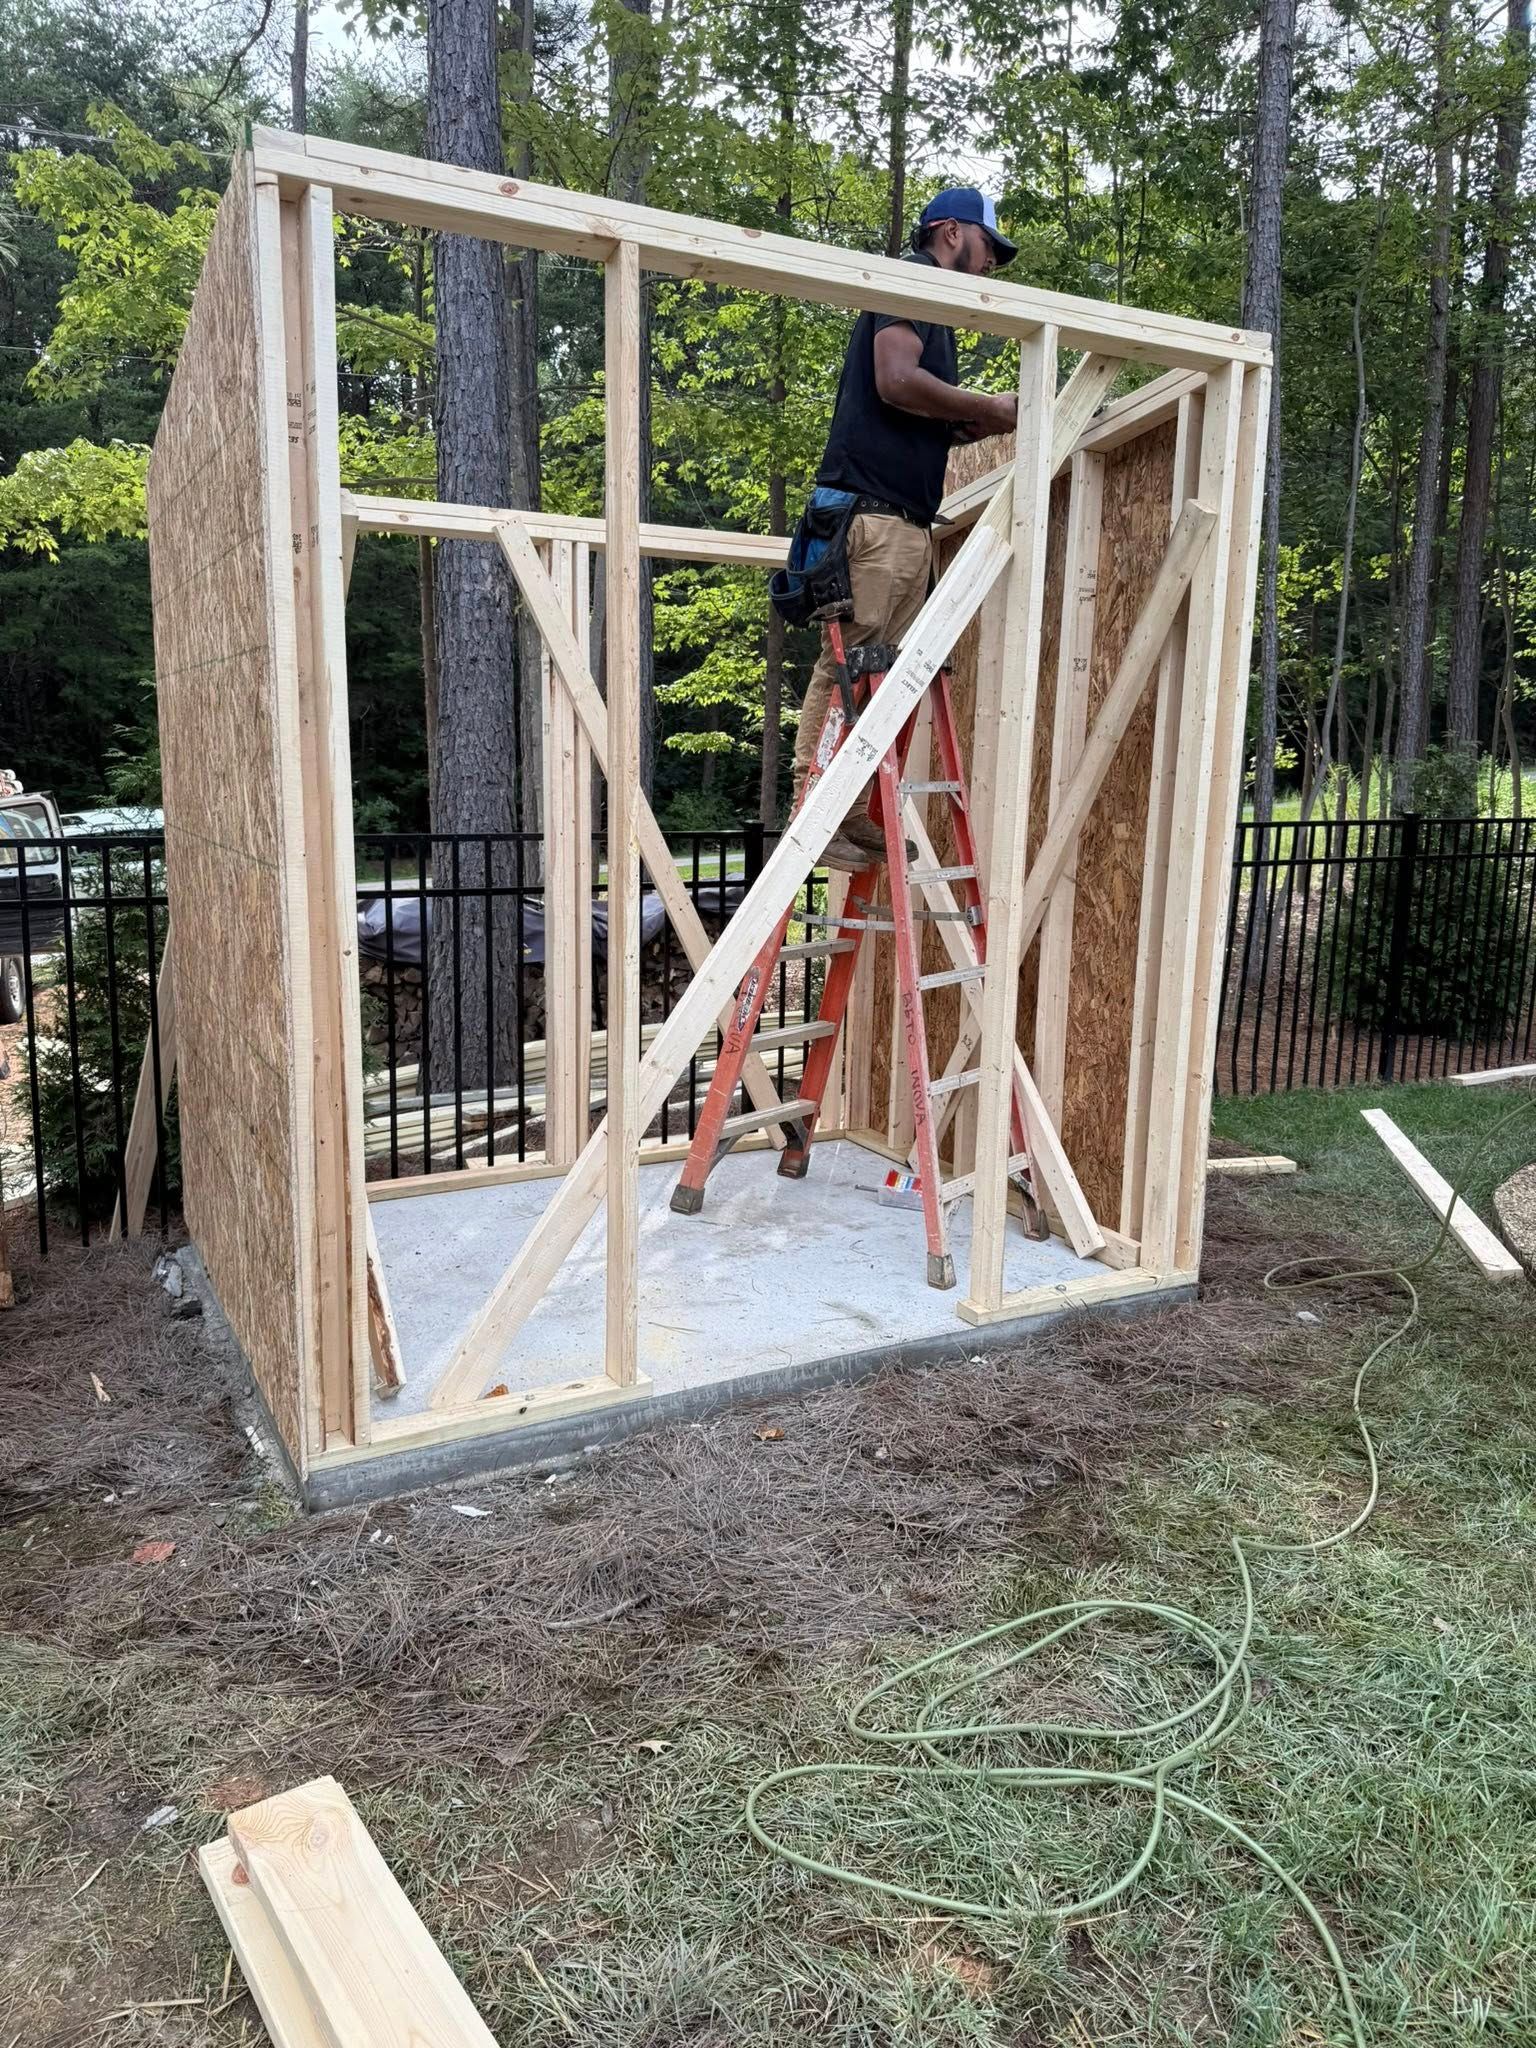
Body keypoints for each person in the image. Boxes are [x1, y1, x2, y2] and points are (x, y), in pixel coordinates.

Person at [791, 186, 1020, 870]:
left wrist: (975, 421)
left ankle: (847, 807)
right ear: (950, 232)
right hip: (874, 516)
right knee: (849, 664)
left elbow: (915, 414)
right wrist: (986, 405)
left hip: (904, 520)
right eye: (987, 247)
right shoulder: (913, 280)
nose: (990, 264)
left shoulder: (935, 312)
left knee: (880, 677)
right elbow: (895, 380)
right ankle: (814, 809)